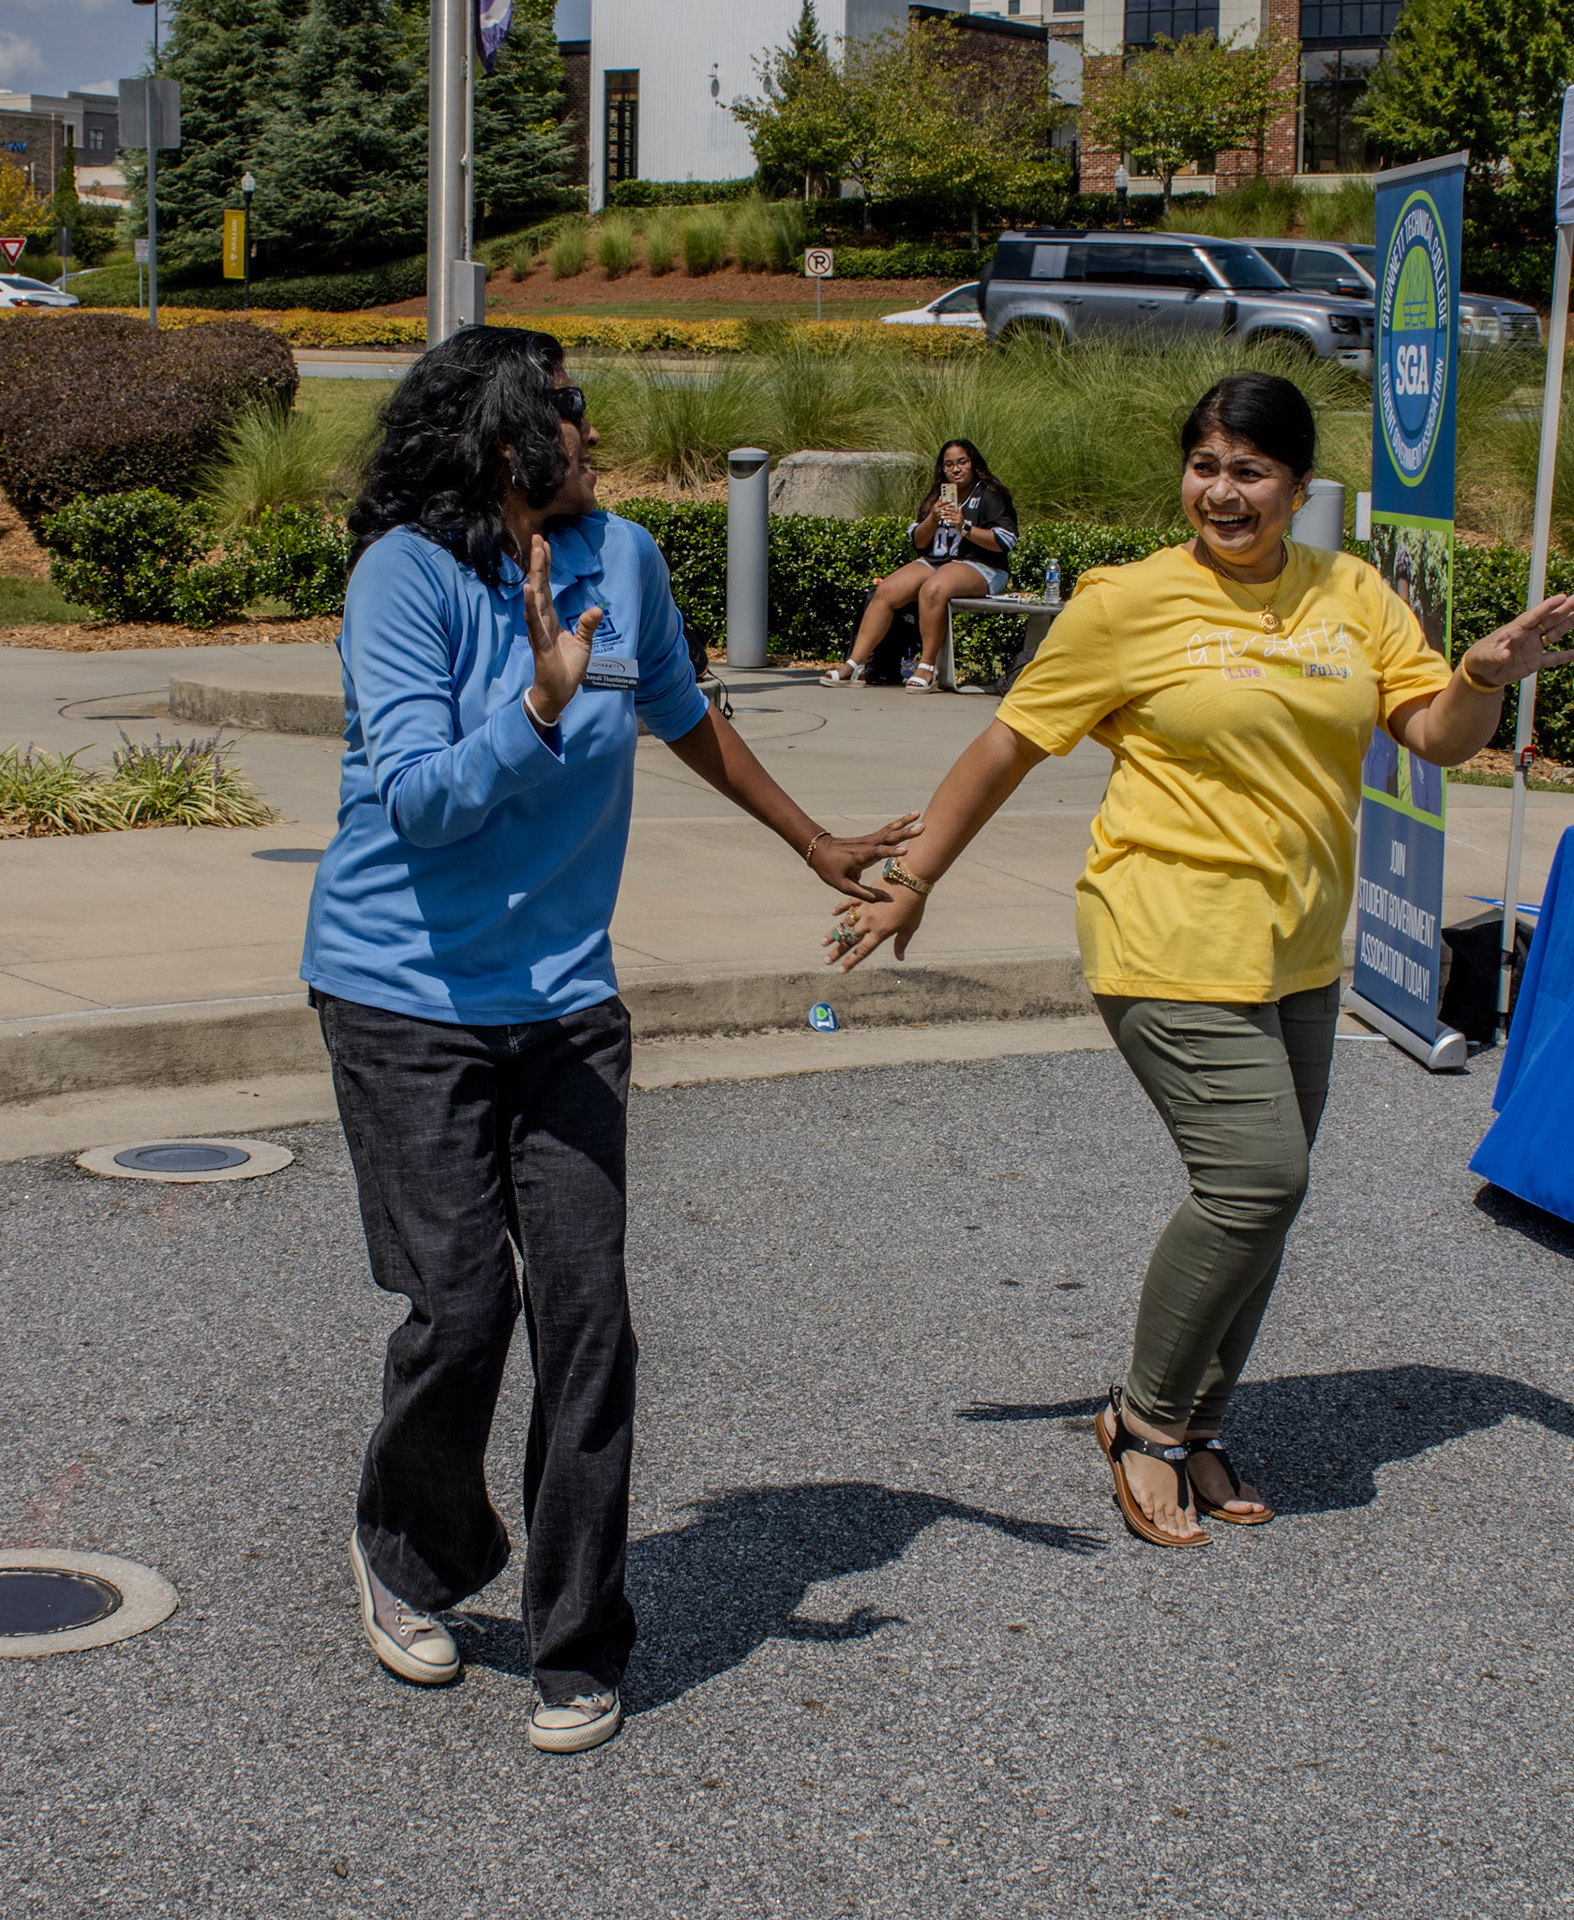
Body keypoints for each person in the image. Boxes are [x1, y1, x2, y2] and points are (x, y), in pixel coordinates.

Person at [823, 372, 1574, 1548]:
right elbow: (1005, 746)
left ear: (1296, 487)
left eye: (1249, 472)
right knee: (1257, 1181)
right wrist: (916, 880)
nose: (1221, 493)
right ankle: (1141, 1420)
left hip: (1297, 949)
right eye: (1205, 467)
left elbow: (1430, 734)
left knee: (1263, 1205)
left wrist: (1483, 675)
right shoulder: (1130, 602)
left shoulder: (1353, 592)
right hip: (1162, 933)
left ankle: (1195, 1420)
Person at [302, 327, 918, 1751]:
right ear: (502, 438)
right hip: (404, 997)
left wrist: (811, 840)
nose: (595, 429)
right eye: (570, 409)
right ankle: (406, 1549)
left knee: (589, 1317)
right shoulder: (404, 576)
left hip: (566, 1004)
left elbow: (685, 714)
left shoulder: (622, 558)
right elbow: (419, 805)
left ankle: (579, 1633)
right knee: (461, 1308)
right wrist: (535, 702)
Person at [820, 440, 1018, 692]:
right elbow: (918, 541)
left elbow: (1005, 541)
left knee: (933, 588)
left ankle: (927, 666)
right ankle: (855, 664)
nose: (956, 469)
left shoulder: (990, 495)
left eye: (962, 462)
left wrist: (965, 527)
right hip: (935, 562)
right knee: (887, 590)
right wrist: (934, 517)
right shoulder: (939, 495)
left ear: (974, 464)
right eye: (949, 464)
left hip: (982, 566)